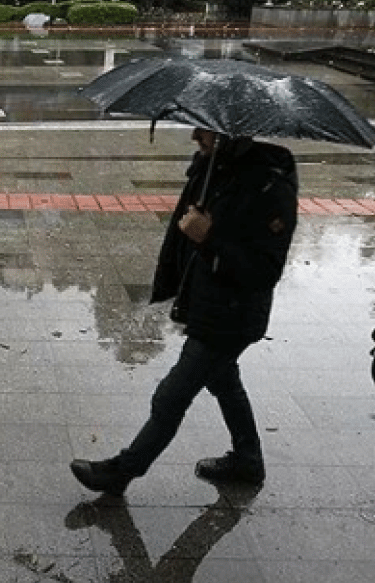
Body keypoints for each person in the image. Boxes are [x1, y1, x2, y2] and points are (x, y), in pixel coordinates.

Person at [71, 128, 298, 494]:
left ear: (231, 133)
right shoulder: (215, 170)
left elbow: (265, 270)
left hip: (232, 315)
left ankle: (121, 472)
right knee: (224, 380)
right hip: (209, 304)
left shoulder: (270, 187)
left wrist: (210, 238)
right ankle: (248, 459)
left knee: (171, 396)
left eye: (205, 130)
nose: (195, 135)